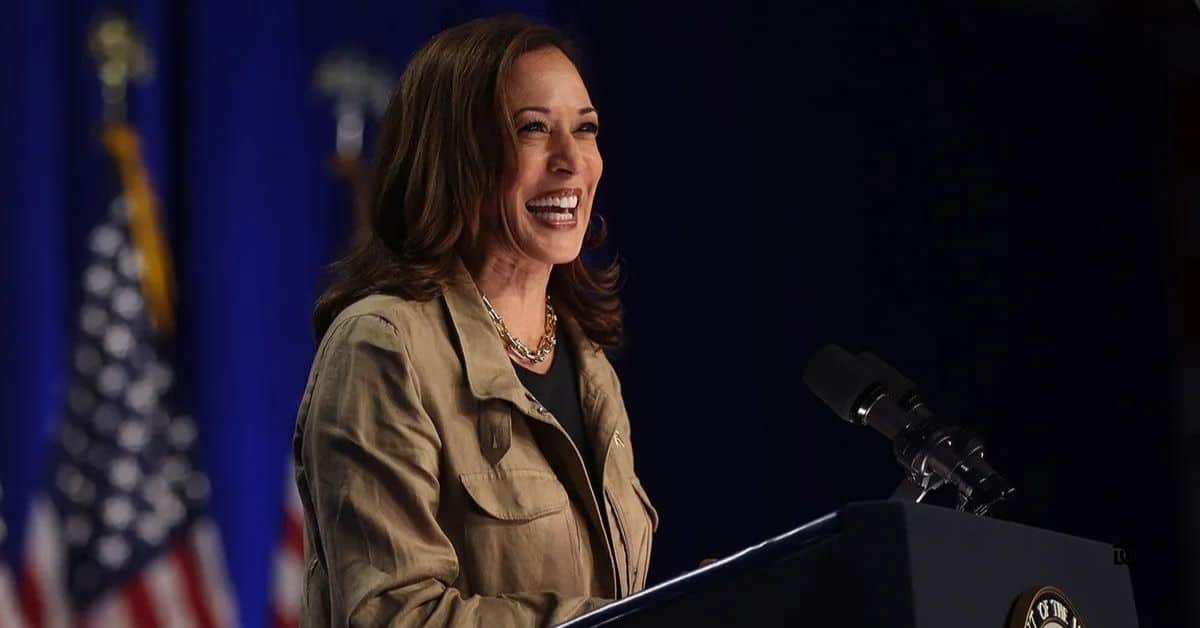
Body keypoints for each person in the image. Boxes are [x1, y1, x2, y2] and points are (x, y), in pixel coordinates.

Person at [292, 15, 659, 628]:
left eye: (586, 129)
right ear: (456, 153)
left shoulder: (587, 360)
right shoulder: (383, 347)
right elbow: (395, 616)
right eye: (533, 129)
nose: (572, 160)